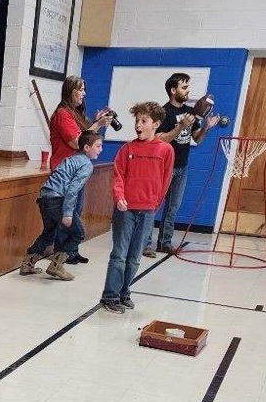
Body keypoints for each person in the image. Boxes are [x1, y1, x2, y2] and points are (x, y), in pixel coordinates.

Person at [100, 102, 174, 314]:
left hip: (148, 211)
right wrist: (119, 197)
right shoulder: (127, 149)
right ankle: (110, 296)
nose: (138, 125)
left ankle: (124, 292)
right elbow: (118, 177)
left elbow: (165, 180)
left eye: (144, 121)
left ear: (156, 124)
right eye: (137, 121)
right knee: (119, 254)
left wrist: (154, 204)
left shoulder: (166, 150)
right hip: (126, 211)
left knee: (135, 257)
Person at [144, 71, 220, 257]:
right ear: (173, 90)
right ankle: (145, 243)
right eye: (184, 87)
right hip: (164, 168)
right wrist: (180, 126)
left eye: (188, 87)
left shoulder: (189, 112)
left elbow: (197, 139)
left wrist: (207, 128)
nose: (188, 91)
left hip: (182, 167)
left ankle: (164, 243)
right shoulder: (163, 112)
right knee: (154, 205)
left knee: (173, 208)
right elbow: (160, 140)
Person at [19, 131, 103, 279]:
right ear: (87, 147)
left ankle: (27, 264)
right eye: (98, 146)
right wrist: (68, 213)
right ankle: (56, 266)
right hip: (57, 200)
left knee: (49, 233)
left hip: (44, 196)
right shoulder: (86, 164)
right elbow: (72, 189)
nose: (100, 149)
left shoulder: (72, 158)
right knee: (78, 233)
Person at [48, 75, 113, 173]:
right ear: (73, 92)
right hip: (64, 171)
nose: (84, 93)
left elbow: (86, 136)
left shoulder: (75, 113)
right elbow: (77, 142)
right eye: (81, 90)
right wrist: (98, 124)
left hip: (76, 168)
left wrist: (96, 122)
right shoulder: (62, 114)